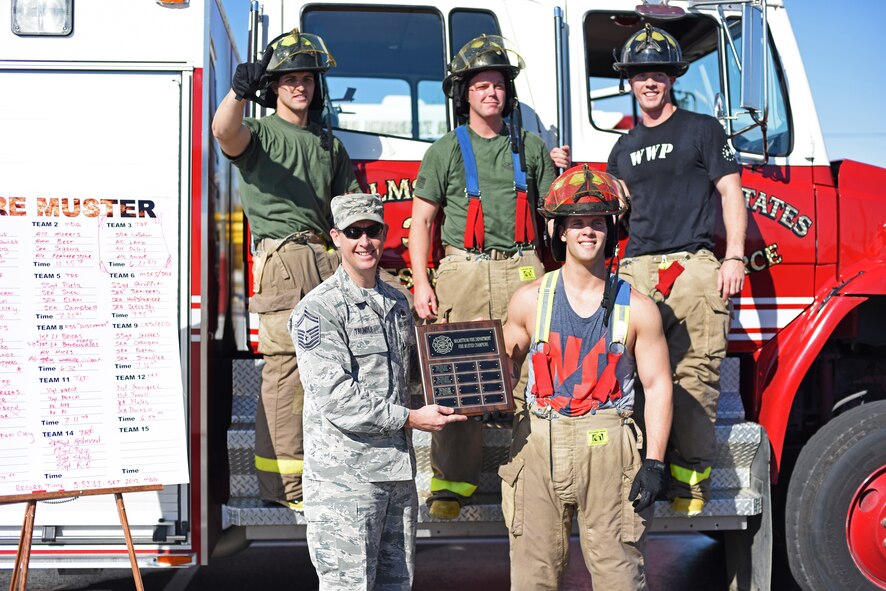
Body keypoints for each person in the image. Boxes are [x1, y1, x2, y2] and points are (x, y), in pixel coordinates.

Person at [551, 23, 745, 515]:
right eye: (640, 75)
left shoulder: (703, 130)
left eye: (658, 73)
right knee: (623, 375)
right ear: (630, 83)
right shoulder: (622, 147)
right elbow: (605, 208)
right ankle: (632, 476)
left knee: (694, 376)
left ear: (672, 78)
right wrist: (566, 170)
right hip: (636, 271)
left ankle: (690, 483)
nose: (649, 83)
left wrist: (735, 255)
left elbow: (730, 193)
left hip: (694, 265)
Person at [500, 165, 672, 590]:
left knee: (619, 576)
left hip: (609, 448)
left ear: (611, 231)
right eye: (576, 222)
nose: (587, 231)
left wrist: (654, 462)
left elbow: (657, 386)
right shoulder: (528, 300)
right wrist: (475, 385)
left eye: (598, 222)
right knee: (532, 577)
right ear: (559, 231)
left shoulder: (639, 308)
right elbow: (503, 366)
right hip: (539, 444)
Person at [409, 34, 557, 520]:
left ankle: (535, 476)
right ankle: (452, 485)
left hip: (522, 267)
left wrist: (565, 167)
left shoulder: (532, 150)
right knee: (456, 381)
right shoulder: (444, 151)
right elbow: (423, 220)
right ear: (465, 95)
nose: (491, 93)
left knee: (533, 376)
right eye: (481, 86)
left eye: (497, 86)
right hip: (464, 271)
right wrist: (422, 282)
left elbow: (555, 215)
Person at [212, 29, 360, 509]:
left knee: (334, 368)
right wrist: (237, 92)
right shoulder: (258, 133)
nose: (300, 86)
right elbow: (223, 132)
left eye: (306, 78)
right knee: (286, 371)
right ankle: (284, 488)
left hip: (326, 257)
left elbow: (347, 209)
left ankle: (323, 474)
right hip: (283, 259)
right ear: (273, 87)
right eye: (289, 79)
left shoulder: (328, 145)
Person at [291, 193, 467, 589]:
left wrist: (473, 374)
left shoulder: (396, 302)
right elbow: (337, 397)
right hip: (345, 483)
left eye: (373, 230)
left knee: (395, 584)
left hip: (396, 477)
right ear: (336, 237)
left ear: (385, 234)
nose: (364, 241)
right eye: (354, 232)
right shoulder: (318, 309)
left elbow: (415, 374)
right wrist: (411, 418)